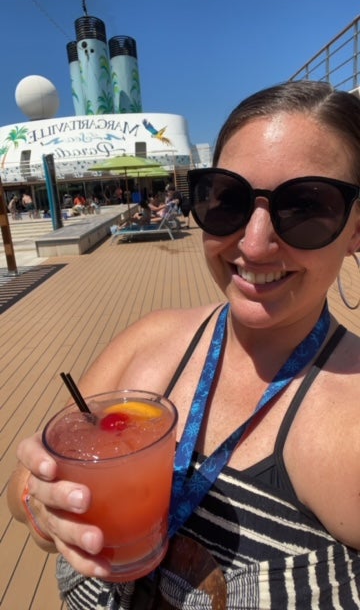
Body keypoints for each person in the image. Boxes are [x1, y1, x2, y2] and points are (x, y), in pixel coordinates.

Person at [7, 81, 360, 609]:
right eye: (228, 200)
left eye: (306, 207)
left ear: (357, 229)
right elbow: (22, 490)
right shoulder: (149, 340)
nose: (254, 242)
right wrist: (45, 509)